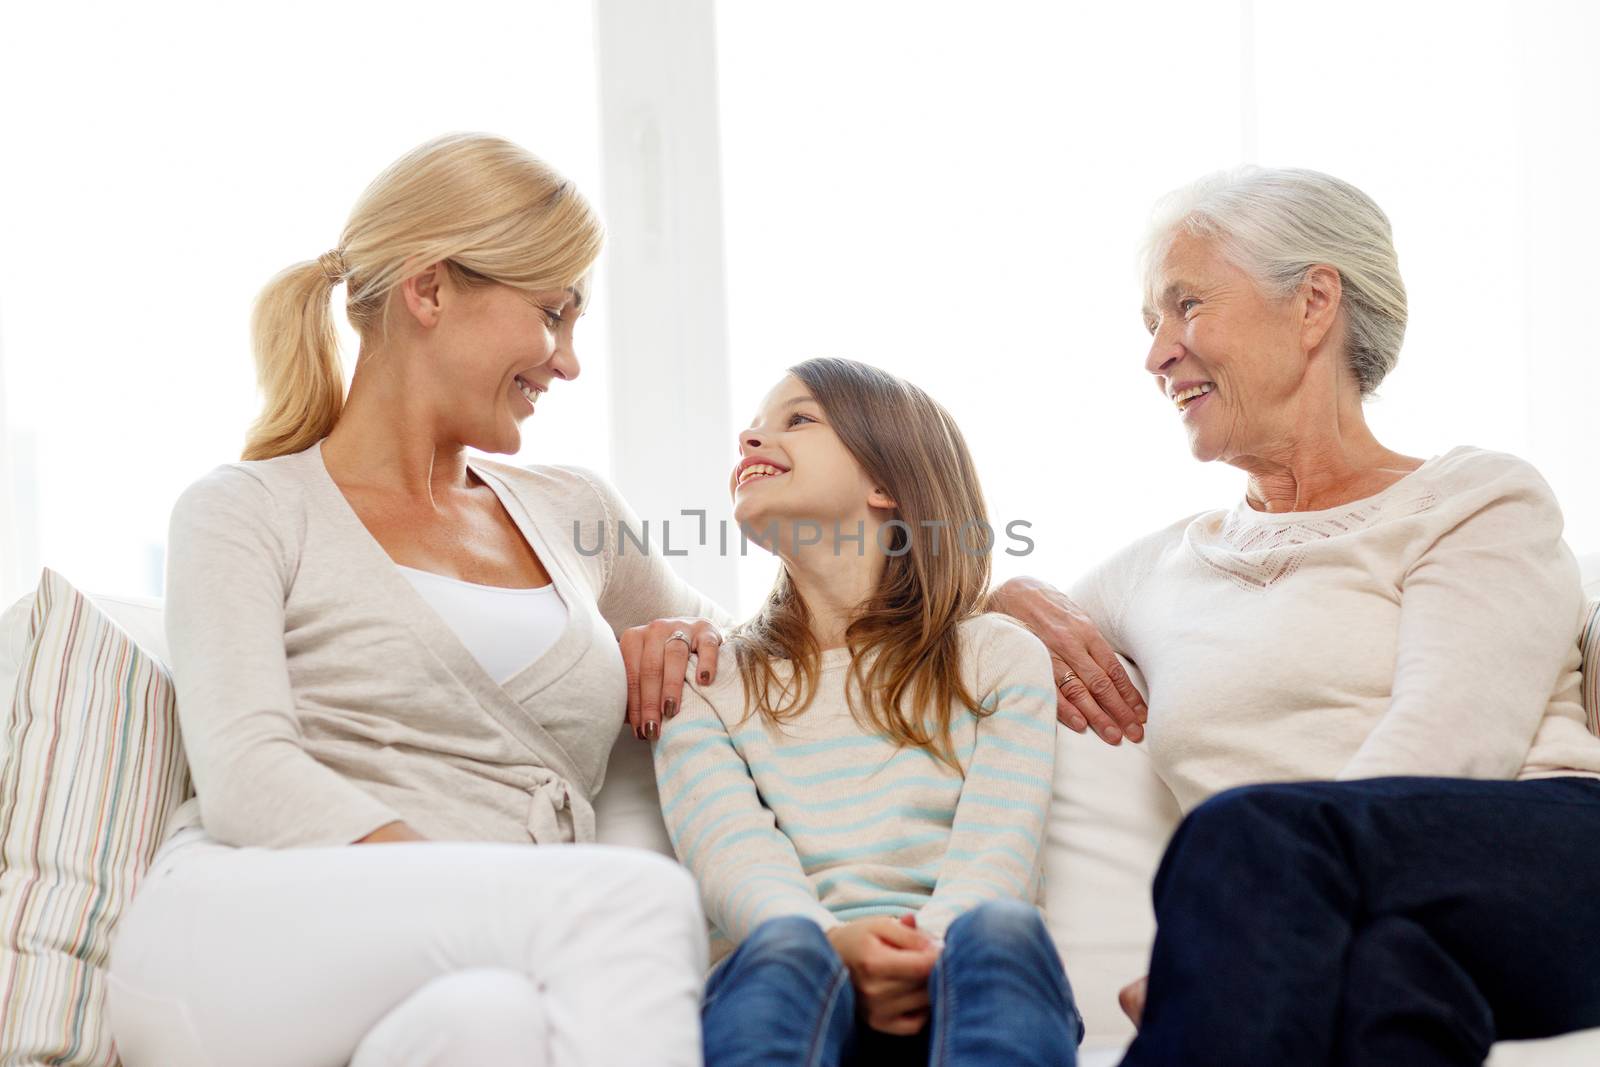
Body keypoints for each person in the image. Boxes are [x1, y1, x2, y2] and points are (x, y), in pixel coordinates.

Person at [105, 132, 736, 1067]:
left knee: (496, 1027)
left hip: (470, 961)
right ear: (430, 289)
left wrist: (700, 635)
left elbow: (768, 646)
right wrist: (481, 889)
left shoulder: (574, 512)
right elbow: (246, 774)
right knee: (633, 900)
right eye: (552, 314)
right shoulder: (245, 510)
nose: (566, 362)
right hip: (243, 934)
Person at [987, 166, 1600, 1065]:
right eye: (1152, 324)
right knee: (1388, 989)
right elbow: (957, 639)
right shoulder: (1157, 566)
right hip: (1361, 926)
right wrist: (1008, 593)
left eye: (1185, 305)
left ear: (1314, 302)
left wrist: (1233, 929)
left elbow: (1451, 737)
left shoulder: (1476, 498)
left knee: (1253, 831)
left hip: (1547, 860)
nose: (1156, 353)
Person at [653, 359, 1083, 1067]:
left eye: (796, 419)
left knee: (1002, 927)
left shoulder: (996, 656)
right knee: (783, 946)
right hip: (804, 984)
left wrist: (923, 948)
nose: (750, 440)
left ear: (886, 483)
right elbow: (737, 862)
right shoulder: (704, 679)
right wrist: (833, 944)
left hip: (960, 978)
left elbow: (995, 855)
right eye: (753, 427)